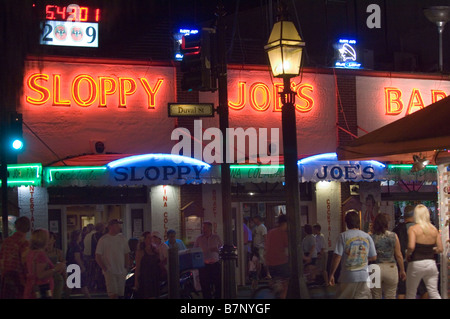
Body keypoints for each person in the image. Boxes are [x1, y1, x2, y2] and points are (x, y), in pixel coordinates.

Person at [329, 210, 377, 299]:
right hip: (364, 277)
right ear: (358, 222)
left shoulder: (343, 236)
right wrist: (362, 258)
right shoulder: (367, 236)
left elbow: (337, 256)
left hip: (347, 276)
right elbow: (373, 256)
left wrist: (332, 274)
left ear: (347, 223)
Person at [405, 204, 443, 299]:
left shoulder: (413, 229)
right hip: (431, 263)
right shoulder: (434, 230)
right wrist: (431, 250)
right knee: (433, 292)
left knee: (411, 293)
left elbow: (411, 246)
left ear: (415, 215)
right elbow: (440, 249)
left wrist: (408, 254)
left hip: (416, 263)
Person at [393, 205, 428, 299]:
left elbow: (395, 249)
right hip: (418, 262)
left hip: (402, 264)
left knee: (402, 290)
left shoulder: (397, 229)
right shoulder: (421, 228)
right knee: (423, 289)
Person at [370, 213, 406, 299]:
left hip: (375, 268)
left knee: (375, 296)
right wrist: (402, 270)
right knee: (390, 296)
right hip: (391, 268)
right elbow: (398, 255)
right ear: (386, 224)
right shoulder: (393, 236)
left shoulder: (371, 237)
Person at [23, 229, 66, 299]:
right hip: (42, 287)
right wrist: (56, 268)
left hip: (31, 286)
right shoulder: (40, 254)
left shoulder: (30, 252)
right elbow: (40, 275)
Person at [95, 219, 130, 299]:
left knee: (121, 294)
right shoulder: (103, 240)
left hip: (121, 271)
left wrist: (126, 267)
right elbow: (98, 256)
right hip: (110, 272)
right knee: (113, 294)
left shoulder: (122, 239)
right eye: (117, 225)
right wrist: (105, 269)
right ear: (111, 227)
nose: (119, 227)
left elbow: (126, 253)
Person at [0, 216, 31, 299]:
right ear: (28, 228)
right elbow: (25, 264)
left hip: (6, 279)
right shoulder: (24, 243)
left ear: (16, 226)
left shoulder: (6, 241)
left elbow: (1, 260)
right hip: (19, 280)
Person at [194, 221, 223, 299]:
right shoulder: (199, 238)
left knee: (218, 284)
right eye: (203, 227)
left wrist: (217, 249)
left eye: (204, 227)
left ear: (210, 228)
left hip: (215, 264)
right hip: (204, 265)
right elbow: (195, 250)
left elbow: (221, 249)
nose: (203, 229)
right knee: (205, 284)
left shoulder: (216, 237)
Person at [264, 214, 289, 299]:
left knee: (278, 283)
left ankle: (276, 289)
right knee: (287, 282)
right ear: (285, 223)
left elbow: (266, 248)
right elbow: (289, 248)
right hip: (281, 263)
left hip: (270, 264)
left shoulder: (271, 232)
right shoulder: (284, 234)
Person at [134, 231, 162, 299]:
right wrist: (136, 280)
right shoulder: (141, 252)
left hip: (154, 277)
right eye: (148, 238)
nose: (151, 239)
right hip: (145, 278)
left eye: (151, 238)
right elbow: (137, 267)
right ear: (144, 239)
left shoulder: (155, 250)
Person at [66, 229, 91, 298]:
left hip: (71, 267)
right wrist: (82, 266)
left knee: (71, 284)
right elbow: (77, 257)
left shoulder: (70, 245)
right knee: (83, 285)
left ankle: (66, 296)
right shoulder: (76, 246)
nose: (81, 237)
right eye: (80, 235)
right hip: (77, 268)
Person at [46, 231, 67, 299]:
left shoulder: (58, 252)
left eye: (50, 238)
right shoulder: (41, 252)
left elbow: (63, 265)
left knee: (57, 295)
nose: (48, 240)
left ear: (54, 240)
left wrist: (66, 280)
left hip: (56, 278)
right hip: (46, 277)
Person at [90, 222, 105, 292]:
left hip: (95, 256)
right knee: (101, 271)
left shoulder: (93, 236)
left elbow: (92, 247)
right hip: (102, 256)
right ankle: (101, 285)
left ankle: (97, 285)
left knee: (96, 271)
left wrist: (92, 257)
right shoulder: (103, 236)